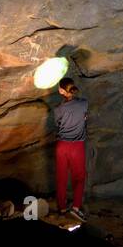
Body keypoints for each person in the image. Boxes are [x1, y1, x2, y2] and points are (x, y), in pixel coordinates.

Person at [53, 77, 89, 220]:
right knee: (79, 178)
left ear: (62, 91)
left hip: (61, 146)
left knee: (61, 178)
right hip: (77, 146)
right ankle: (75, 207)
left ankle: (62, 208)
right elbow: (85, 118)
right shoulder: (84, 103)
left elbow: (58, 124)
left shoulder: (58, 109)